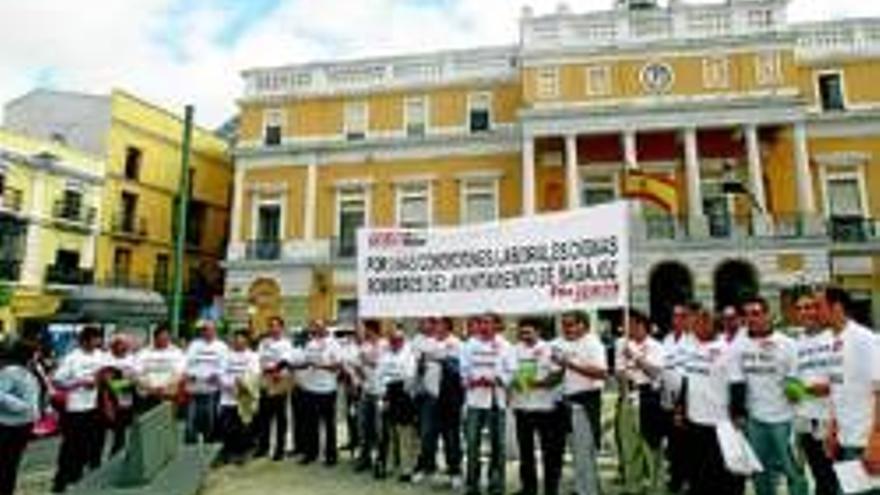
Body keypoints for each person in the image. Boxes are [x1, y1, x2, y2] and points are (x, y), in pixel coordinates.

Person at [729, 297, 807, 495]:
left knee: (793, 471)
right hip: (755, 421)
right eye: (746, 315)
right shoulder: (739, 345)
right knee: (760, 471)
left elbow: (796, 384)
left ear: (768, 315)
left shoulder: (788, 344)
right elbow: (737, 382)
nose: (751, 319)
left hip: (785, 419)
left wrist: (795, 395)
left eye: (756, 313)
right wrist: (738, 414)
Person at [816, 286, 880, 492]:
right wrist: (832, 430)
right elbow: (839, 389)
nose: (816, 312)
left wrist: (876, 440)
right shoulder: (834, 341)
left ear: (836, 307)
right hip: (844, 442)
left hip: (864, 444)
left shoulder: (865, 339)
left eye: (820, 306)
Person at [679, 308, 741, 495]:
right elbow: (686, 380)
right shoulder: (692, 348)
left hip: (719, 423)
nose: (697, 326)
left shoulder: (727, 350)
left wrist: (737, 415)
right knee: (698, 473)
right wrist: (680, 409)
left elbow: (737, 384)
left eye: (703, 322)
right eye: (696, 322)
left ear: (714, 326)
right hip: (694, 421)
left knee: (722, 475)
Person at [460, 313, 515, 495]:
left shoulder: (506, 346)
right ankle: (472, 484)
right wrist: (472, 380)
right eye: (481, 322)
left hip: (496, 400)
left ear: (496, 325)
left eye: (488, 323)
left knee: (498, 445)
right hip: (475, 400)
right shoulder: (469, 345)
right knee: (472, 443)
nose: (484, 326)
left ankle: (496, 483)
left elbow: (512, 372)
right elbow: (463, 370)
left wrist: (498, 380)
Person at [51, 326, 109, 493]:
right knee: (70, 446)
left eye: (98, 339)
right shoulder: (72, 358)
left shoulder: (100, 356)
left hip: (94, 406)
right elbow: (57, 380)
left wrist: (102, 379)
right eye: (94, 339)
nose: (97, 342)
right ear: (85, 340)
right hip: (75, 408)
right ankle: (61, 481)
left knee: (89, 445)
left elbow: (106, 374)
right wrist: (80, 383)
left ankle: (79, 477)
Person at [792, 290, 838, 495]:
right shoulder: (796, 341)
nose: (805, 312)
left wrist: (828, 387)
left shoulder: (833, 337)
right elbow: (793, 378)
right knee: (818, 473)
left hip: (832, 420)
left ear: (819, 309)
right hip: (805, 419)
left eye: (809, 307)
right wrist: (793, 389)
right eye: (800, 308)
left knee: (833, 476)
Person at [614, 309, 665, 493]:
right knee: (629, 447)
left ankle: (656, 487)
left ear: (641, 325)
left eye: (630, 325)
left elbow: (655, 373)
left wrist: (635, 356)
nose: (626, 329)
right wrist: (623, 383)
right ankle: (633, 487)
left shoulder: (656, 346)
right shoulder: (621, 343)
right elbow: (619, 372)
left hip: (648, 397)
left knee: (650, 447)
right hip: (627, 396)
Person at [511, 317, 563, 495]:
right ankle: (528, 488)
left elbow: (558, 375)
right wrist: (513, 382)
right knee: (526, 453)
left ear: (538, 332)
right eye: (522, 332)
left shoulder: (550, 349)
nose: (524, 335)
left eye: (528, 332)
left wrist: (540, 383)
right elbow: (507, 373)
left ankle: (551, 489)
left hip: (545, 409)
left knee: (550, 453)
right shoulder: (514, 350)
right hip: (522, 408)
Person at [413, 316, 464, 488]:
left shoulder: (456, 343)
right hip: (430, 396)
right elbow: (421, 369)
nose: (435, 328)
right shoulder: (429, 342)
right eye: (434, 325)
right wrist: (420, 363)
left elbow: (457, 369)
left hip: (450, 399)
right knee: (427, 435)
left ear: (448, 327)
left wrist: (440, 359)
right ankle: (427, 468)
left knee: (451, 437)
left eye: (439, 325)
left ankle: (455, 471)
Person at [375, 327, 418, 482]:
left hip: (403, 397)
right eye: (392, 340)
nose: (394, 342)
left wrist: (390, 379)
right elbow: (378, 375)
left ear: (403, 341)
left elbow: (408, 375)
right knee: (388, 434)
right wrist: (382, 395)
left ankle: (406, 469)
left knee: (405, 435)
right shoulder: (384, 355)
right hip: (387, 396)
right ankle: (388, 466)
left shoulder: (409, 355)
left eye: (398, 340)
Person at [0, 339, 42, 495]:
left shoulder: (31, 369)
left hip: (24, 424)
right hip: (8, 426)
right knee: (6, 464)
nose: (39, 355)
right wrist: (22, 406)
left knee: (13, 462)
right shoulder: (10, 371)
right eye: (36, 351)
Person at [299, 319, 343, 465]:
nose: (317, 329)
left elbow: (338, 365)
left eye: (319, 326)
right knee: (310, 423)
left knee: (329, 424)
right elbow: (305, 361)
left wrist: (321, 365)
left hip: (327, 388)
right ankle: (311, 453)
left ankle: (331, 455)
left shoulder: (334, 343)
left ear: (325, 327)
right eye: (314, 326)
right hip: (310, 388)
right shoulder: (310, 343)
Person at [661, 303, 693, 494]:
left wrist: (682, 405)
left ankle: (689, 480)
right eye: (675, 316)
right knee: (673, 444)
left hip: (688, 401)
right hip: (668, 400)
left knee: (687, 443)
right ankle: (676, 478)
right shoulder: (667, 339)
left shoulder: (693, 340)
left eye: (682, 316)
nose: (678, 320)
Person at [218, 330, 260, 465]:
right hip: (227, 397)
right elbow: (221, 374)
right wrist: (230, 385)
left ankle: (242, 453)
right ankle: (228, 452)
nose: (238, 343)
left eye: (241, 341)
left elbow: (254, 374)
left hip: (245, 398)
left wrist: (241, 384)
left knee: (244, 428)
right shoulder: (226, 356)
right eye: (236, 340)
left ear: (246, 342)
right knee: (227, 427)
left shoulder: (253, 356)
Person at [184, 320, 229, 444]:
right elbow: (187, 361)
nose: (207, 332)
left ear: (215, 331)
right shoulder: (194, 345)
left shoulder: (222, 346)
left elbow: (224, 365)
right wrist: (189, 373)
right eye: (205, 330)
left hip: (211, 389)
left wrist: (217, 375)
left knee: (210, 419)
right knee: (191, 419)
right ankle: (191, 444)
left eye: (210, 329)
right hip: (194, 388)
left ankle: (209, 442)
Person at [255, 316, 294, 460]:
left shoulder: (286, 343)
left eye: (276, 326)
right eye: (271, 326)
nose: (273, 328)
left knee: (280, 416)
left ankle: (279, 449)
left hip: (279, 380)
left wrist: (276, 371)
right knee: (264, 415)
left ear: (281, 328)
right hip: (265, 379)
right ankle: (263, 447)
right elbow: (259, 358)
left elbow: (285, 360)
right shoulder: (264, 342)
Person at [355, 319, 387, 472]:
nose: (364, 333)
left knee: (379, 428)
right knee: (363, 427)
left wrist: (367, 360)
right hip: (366, 391)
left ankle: (380, 459)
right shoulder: (364, 346)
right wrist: (360, 372)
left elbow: (380, 364)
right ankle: (364, 458)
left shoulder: (384, 345)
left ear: (372, 330)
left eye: (365, 329)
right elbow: (358, 366)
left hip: (381, 392)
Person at [134, 324, 186, 409]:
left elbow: (180, 373)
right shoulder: (143, 353)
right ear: (155, 338)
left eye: (166, 338)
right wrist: (152, 388)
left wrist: (165, 387)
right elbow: (137, 373)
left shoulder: (177, 353)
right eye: (161, 338)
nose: (164, 341)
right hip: (148, 396)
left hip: (169, 396)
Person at [104, 334, 137, 456]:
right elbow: (110, 383)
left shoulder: (132, 358)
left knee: (126, 431)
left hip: (130, 399)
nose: (124, 347)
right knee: (118, 432)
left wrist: (130, 380)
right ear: (114, 346)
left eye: (125, 344)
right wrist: (128, 381)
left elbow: (137, 377)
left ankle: (123, 454)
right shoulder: (107, 359)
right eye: (121, 344)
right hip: (112, 400)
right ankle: (114, 456)